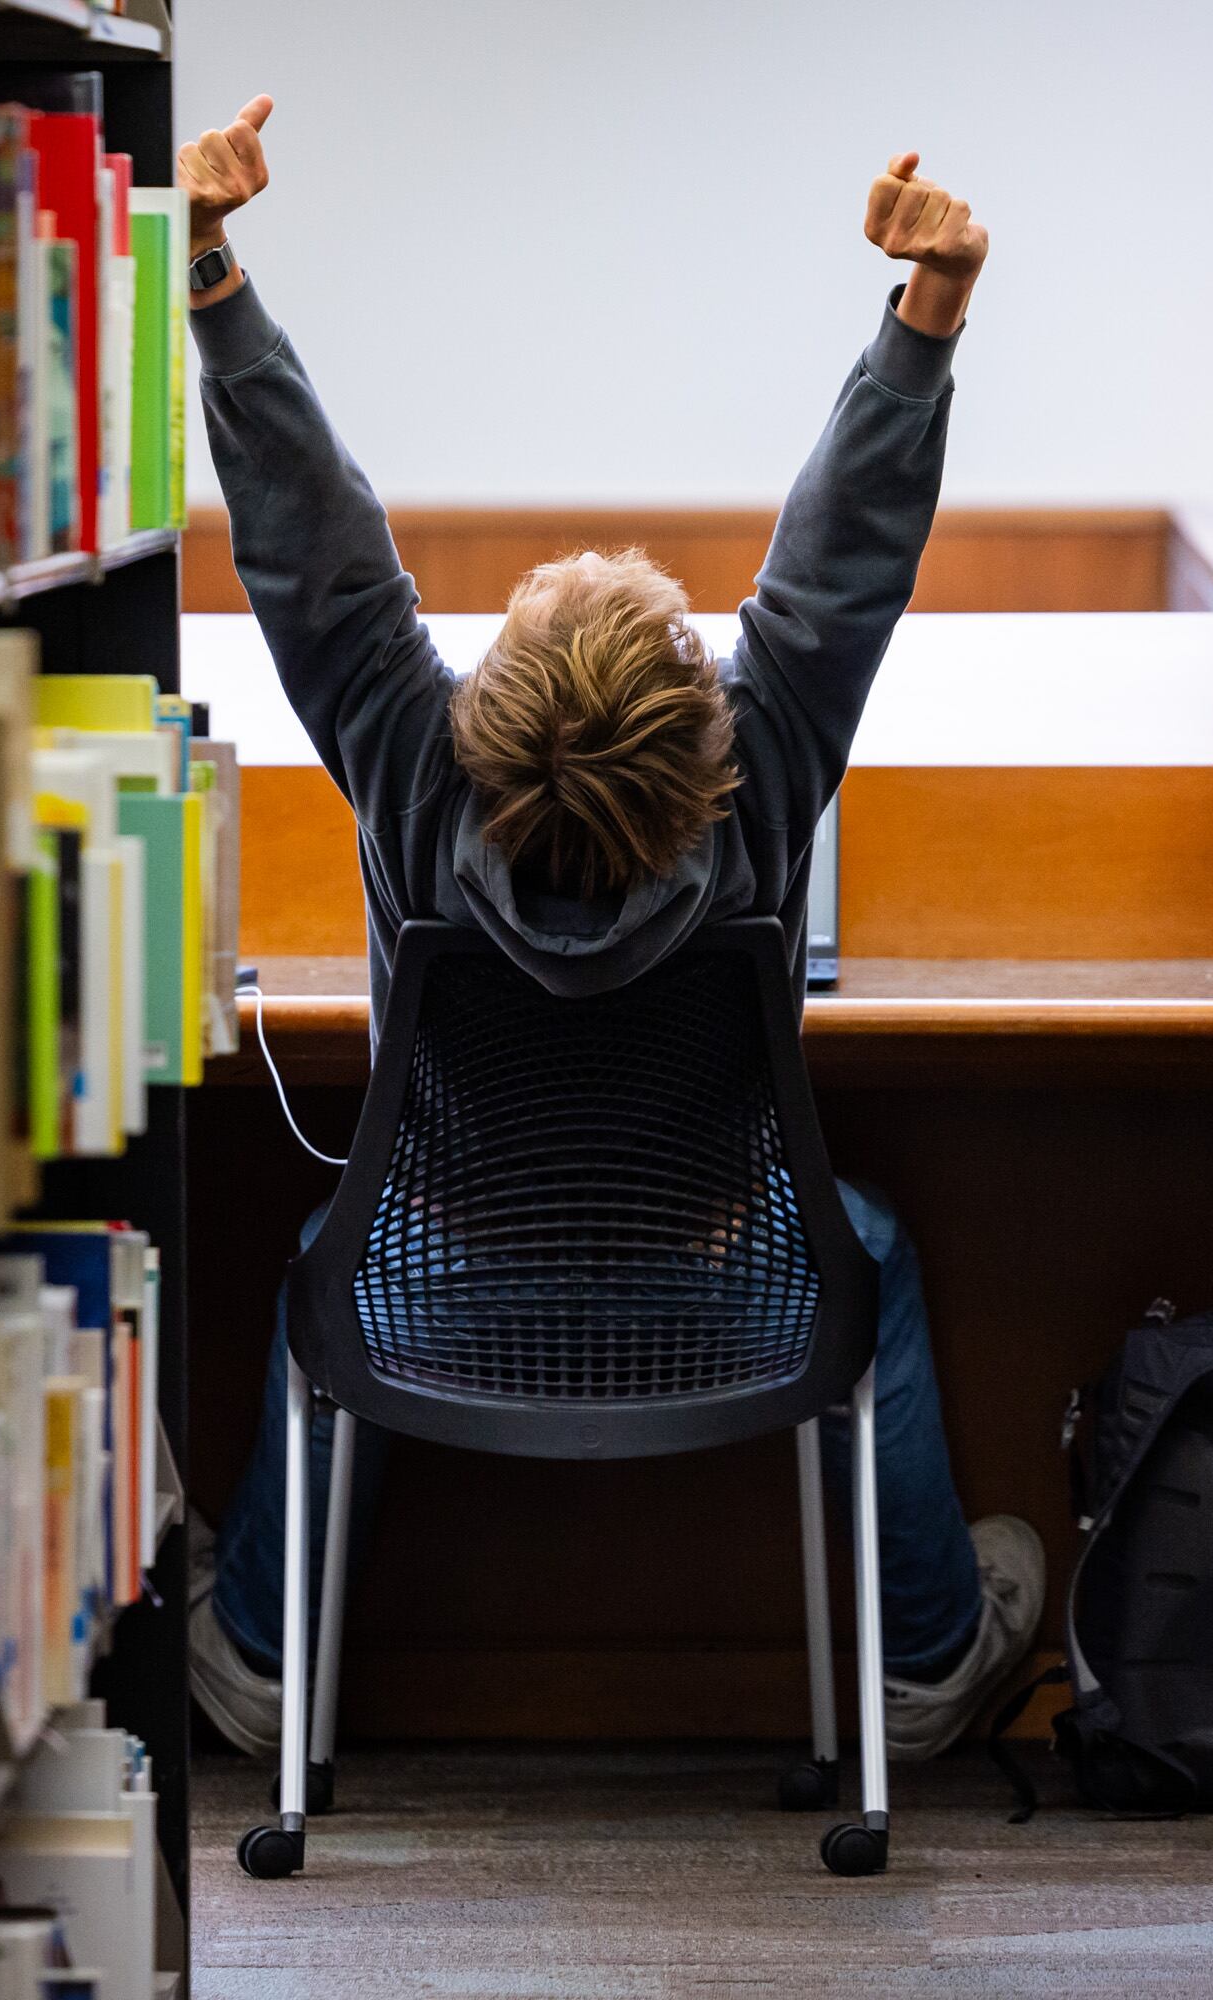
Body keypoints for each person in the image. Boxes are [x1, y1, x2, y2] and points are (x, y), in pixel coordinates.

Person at [177, 94, 1042, 1764]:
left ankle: (257, 1665)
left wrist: (211, 268)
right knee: (871, 1250)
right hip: (735, 1309)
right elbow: (838, 570)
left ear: (475, 712)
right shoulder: (764, 779)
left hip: (435, 1306)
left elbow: (312, 552)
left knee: (314, 1265)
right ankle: (930, 1665)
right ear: (711, 736)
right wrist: (926, 315)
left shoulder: (415, 774)